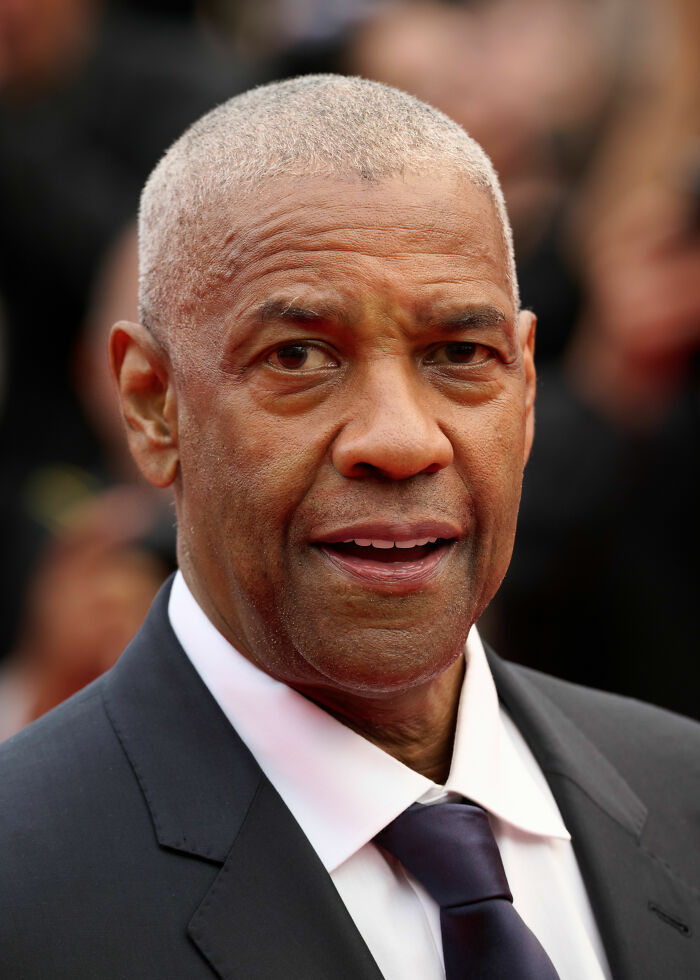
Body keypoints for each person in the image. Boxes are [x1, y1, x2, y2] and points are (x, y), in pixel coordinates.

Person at [0, 75, 697, 979]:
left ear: (526, 390)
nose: (400, 441)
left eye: (459, 354)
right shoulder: (23, 888)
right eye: (298, 356)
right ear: (152, 404)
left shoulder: (683, 795)